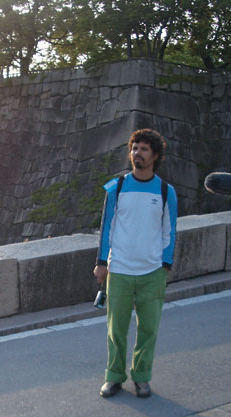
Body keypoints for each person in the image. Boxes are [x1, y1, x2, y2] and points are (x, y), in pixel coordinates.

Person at [93, 128, 178, 399]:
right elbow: (106, 227)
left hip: (152, 271)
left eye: (143, 149)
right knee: (115, 329)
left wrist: (165, 265)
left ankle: (141, 377)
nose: (136, 153)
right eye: (134, 148)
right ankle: (114, 376)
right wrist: (101, 263)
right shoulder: (117, 187)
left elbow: (170, 230)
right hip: (119, 269)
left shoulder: (166, 191)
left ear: (155, 156)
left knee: (148, 329)